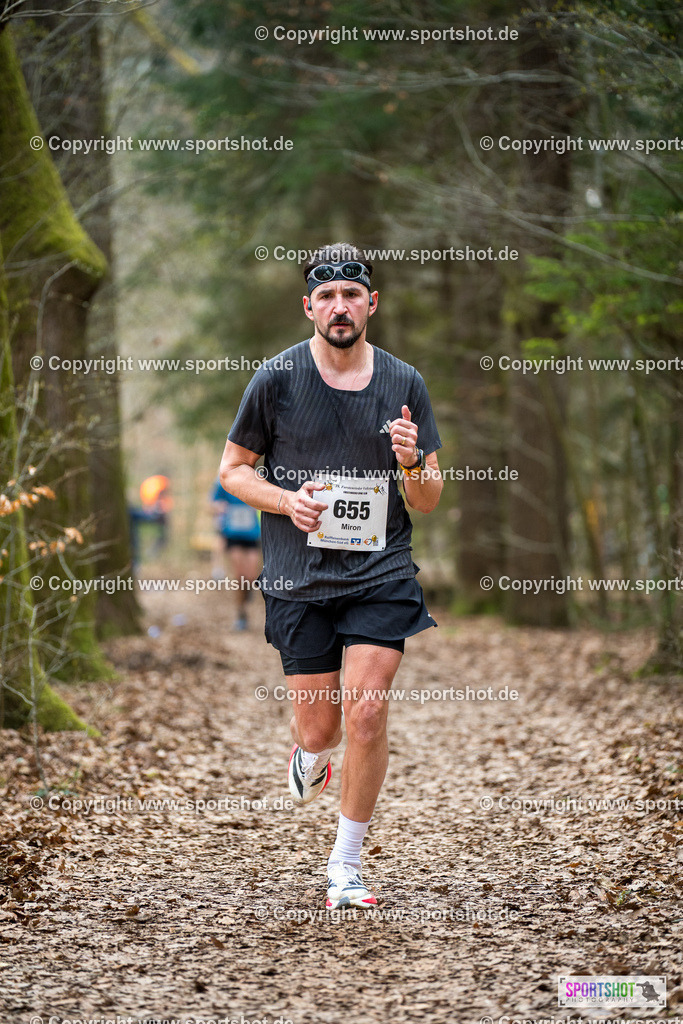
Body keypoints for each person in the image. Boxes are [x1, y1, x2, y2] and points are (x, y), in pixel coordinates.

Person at [219, 242, 443, 909]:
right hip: (297, 575)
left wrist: (409, 463)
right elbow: (232, 470)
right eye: (326, 296)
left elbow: (428, 497)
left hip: (380, 571)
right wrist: (288, 502)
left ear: (371, 303)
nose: (339, 307)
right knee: (320, 731)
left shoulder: (404, 383)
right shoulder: (277, 379)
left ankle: (345, 868)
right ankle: (308, 756)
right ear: (308, 306)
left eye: (351, 295)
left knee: (367, 713)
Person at [210, 479, 261, 631]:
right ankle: (241, 614)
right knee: (241, 577)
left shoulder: (256, 479)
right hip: (233, 534)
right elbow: (213, 503)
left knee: (252, 576)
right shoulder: (224, 481)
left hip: (251, 535)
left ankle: (246, 594)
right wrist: (220, 508)